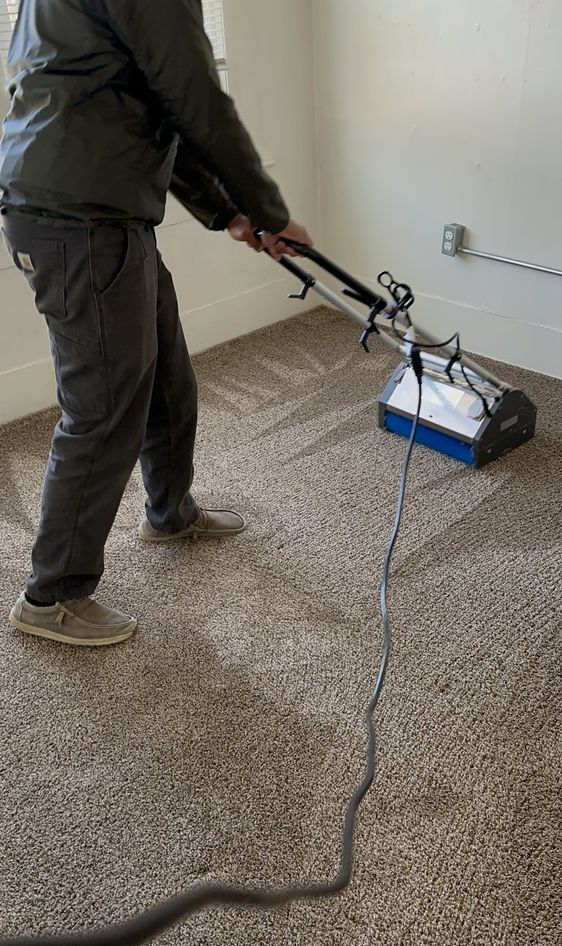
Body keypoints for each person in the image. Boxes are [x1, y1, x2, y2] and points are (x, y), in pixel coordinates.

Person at [0, 0, 312, 647]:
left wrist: (228, 210)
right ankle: (51, 595)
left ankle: (170, 512)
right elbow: (197, 97)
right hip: (80, 218)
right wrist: (268, 209)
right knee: (103, 404)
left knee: (166, 374)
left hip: (94, 209)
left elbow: (154, 99)